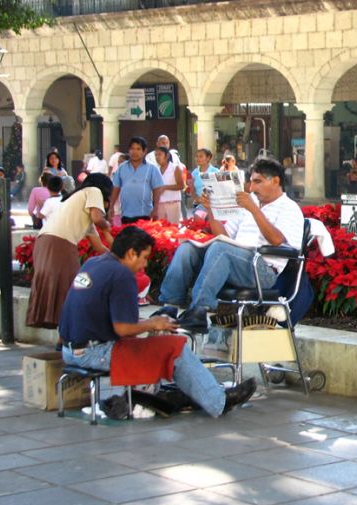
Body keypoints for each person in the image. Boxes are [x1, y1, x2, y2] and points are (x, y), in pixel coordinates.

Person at [60, 226, 257, 417]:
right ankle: (219, 402)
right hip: (94, 353)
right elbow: (122, 329)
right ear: (130, 253)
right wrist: (154, 324)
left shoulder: (93, 264)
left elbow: (101, 314)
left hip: (70, 351)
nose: (145, 265)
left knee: (154, 343)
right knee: (175, 347)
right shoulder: (122, 275)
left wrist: (148, 322)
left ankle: (179, 393)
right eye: (145, 257)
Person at [160, 158, 304, 330]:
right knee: (187, 249)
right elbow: (224, 236)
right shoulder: (249, 205)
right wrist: (211, 210)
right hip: (235, 261)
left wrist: (254, 210)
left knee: (221, 249)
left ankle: (199, 309)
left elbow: (276, 240)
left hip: (263, 271)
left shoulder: (289, 208)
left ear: (275, 180)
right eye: (251, 182)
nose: (251, 188)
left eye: (257, 182)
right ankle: (169, 308)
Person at [26, 174, 113, 329]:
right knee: (72, 289)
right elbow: (98, 219)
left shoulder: (79, 208)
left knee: (66, 288)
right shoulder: (93, 191)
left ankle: (63, 337)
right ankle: (67, 338)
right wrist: (107, 226)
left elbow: (99, 247)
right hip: (59, 243)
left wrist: (119, 259)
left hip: (44, 242)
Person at [110, 136, 164, 224]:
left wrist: (156, 208)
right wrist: (111, 207)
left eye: (138, 149)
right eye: (132, 148)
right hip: (125, 214)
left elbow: (157, 190)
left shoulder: (152, 168)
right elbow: (116, 188)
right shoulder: (121, 168)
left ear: (144, 151)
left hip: (145, 214)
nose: (134, 152)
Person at [154, 146, 184, 223]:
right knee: (161, 231)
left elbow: (181, 185)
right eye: (156, 155)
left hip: (173, 203)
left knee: (173, 229)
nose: (157, 157)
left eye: (159, 154)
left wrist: (165, 187)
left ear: (167, 156)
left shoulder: (175, 168)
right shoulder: (156, 169)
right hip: (160, 204)